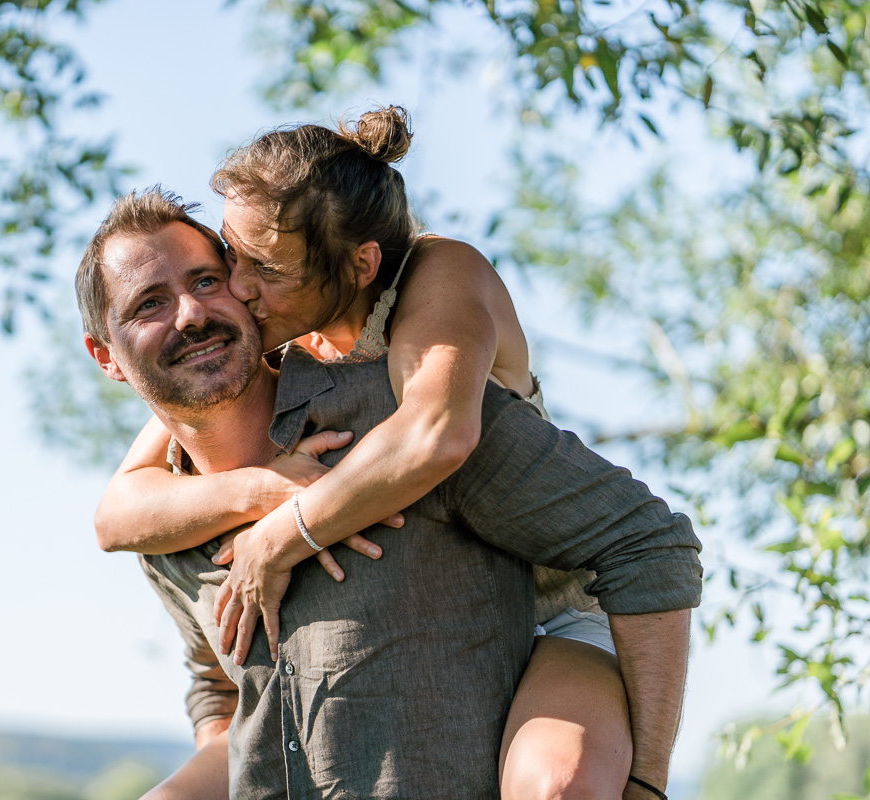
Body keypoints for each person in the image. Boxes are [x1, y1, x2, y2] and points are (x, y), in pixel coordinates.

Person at [95, 108, 663, 798]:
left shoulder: (438, 276)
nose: (237, 288)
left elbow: (435, 433)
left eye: (257, 268)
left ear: (359, 264)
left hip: (557, 602)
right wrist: (257, 487)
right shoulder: (289, 324)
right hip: (443, 609)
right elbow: (122, 505)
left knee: (556, 781)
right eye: (231, 259)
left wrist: (280, 535)